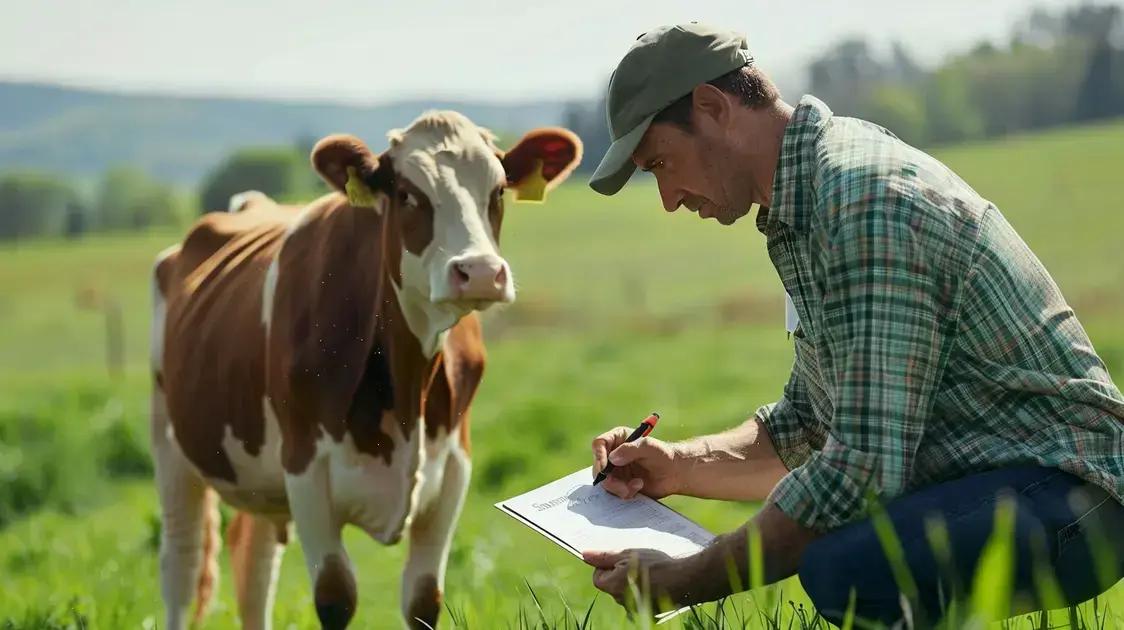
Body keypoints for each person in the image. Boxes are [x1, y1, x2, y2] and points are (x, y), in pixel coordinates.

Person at [582, 22, 1124, 626]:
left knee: (848, 565)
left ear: (713, 108)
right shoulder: (809, 203)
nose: (668, 198)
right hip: (1009, 487)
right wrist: (678, 464)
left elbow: (859, 469)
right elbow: (809, 425)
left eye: (660, 162)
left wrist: (687, 578)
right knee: (850, 556)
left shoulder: (865, 202)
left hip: (1074, 494)